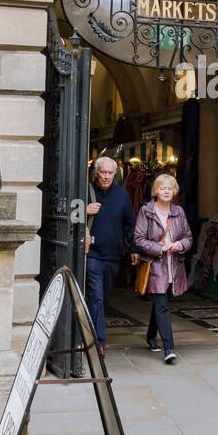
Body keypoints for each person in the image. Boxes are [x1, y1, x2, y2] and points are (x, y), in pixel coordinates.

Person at [133, 174, 193, 364]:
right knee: (162, 306)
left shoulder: (179, 212)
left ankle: (151, 336)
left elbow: (189, 237)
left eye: (170, 188)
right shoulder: (146, 211)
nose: (166, 191)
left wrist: (179, 245)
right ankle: (169, 348)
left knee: (162, 303)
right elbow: (139, 239)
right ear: (156, 191)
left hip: (173, 266)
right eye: (162, 188)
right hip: (156, 265)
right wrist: (161, 248)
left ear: (174, 191)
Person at [85, 156, 137, 359]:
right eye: (103, 172)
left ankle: (89, 329)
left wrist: (133, 247)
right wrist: (84, 210)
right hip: (93, 255)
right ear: (96, 172)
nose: (106, 176)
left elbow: (130, 224)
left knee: (103, 298)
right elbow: (66, 215)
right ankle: (98, 342)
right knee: (96, 296)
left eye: (110, 173)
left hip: (113, 257)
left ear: (115, 174)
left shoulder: (121, 194)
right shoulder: (85, 192)